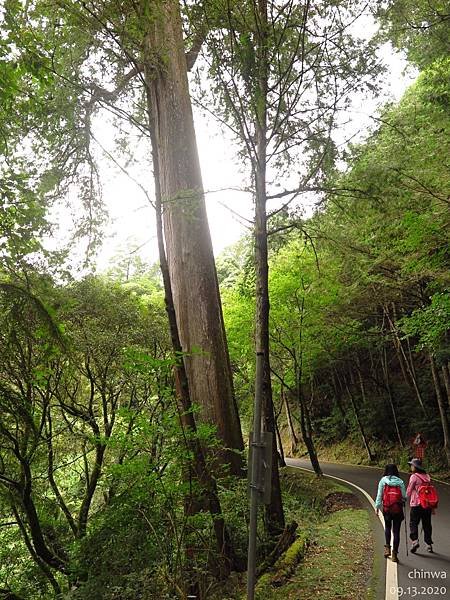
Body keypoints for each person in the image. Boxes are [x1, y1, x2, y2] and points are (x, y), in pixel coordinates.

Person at [375, 463, 407, 563]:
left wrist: (377, 506)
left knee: (388, 528)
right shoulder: (400, 481)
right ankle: (394, 555)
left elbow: (379, 495)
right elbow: (404, 496)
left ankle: (387, 549)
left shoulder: (383, 480)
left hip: (387, 509)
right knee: (396, 532)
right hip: (397, 509)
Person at [407, 458, 434, 553]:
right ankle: (428, 544)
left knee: (413, 523)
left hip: (416, 504)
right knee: (427, 524)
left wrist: (404, 499)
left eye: (411, 465)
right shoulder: (427, 476)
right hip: (427, 504)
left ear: (415, 467)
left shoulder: (414, 477)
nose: (410, 467)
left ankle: (415, 541)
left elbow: (409, 490)